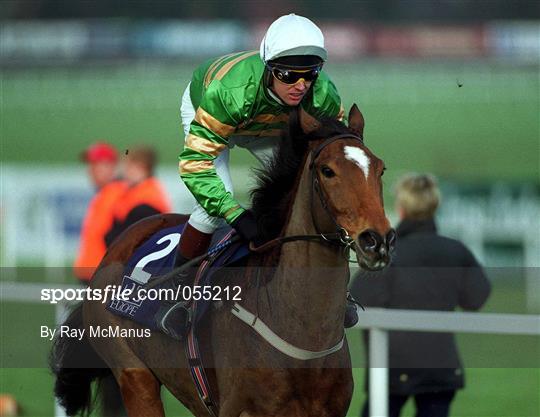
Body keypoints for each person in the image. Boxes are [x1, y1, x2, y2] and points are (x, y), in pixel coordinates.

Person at [157, 14, 358, 338]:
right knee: (211, 211)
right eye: (290, 75)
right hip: (213, 111)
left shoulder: (322, 95)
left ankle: (333, 287)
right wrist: (236, 216)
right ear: (270, 68)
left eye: (310, 74)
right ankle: (176, 295)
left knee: (306, 193)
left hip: (270, 126)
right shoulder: (230, 93)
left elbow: (336, 153)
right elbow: (196, 164)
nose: (301, 85)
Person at [351, 173, 491, 417]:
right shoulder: (455, 251)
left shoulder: (387, 254)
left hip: (391, 368)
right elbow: (476, 298)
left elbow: (358, 300)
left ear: (401, 210)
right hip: (440, 368)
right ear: (434, 207)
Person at [73, 142, 126, 284]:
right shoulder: (105, 194)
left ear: (111, 167)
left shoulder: (119, 193)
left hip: (103, 278)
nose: (90, 170)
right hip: (92, 276)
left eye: (96, 165)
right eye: (90, 165)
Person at [105, 145, 172, 245]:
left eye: (128, 167)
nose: (124, 172)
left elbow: (119, 240)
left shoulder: (146, 201)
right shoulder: (146, 191)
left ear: (141, 168)